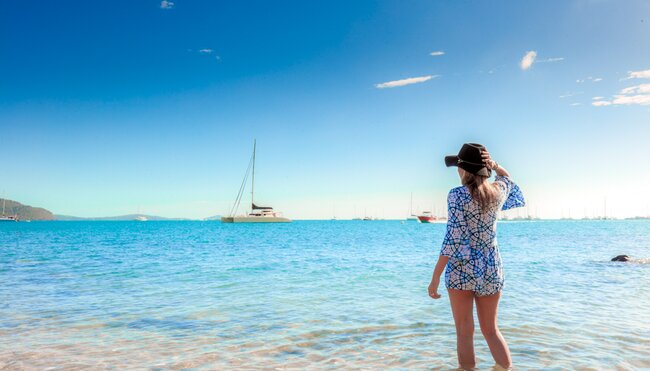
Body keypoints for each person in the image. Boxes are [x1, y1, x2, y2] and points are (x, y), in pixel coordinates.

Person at [428, 143, 525, 370]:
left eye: (458, 166)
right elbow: (508, 178)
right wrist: (496, 165)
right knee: (491, 330)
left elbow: (452, 240)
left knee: (464, 331)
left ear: (463, 169)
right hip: (492, 267)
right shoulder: (497, 192)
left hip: (462, 268)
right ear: (484, 169)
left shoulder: (457, 196)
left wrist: (434, 278)